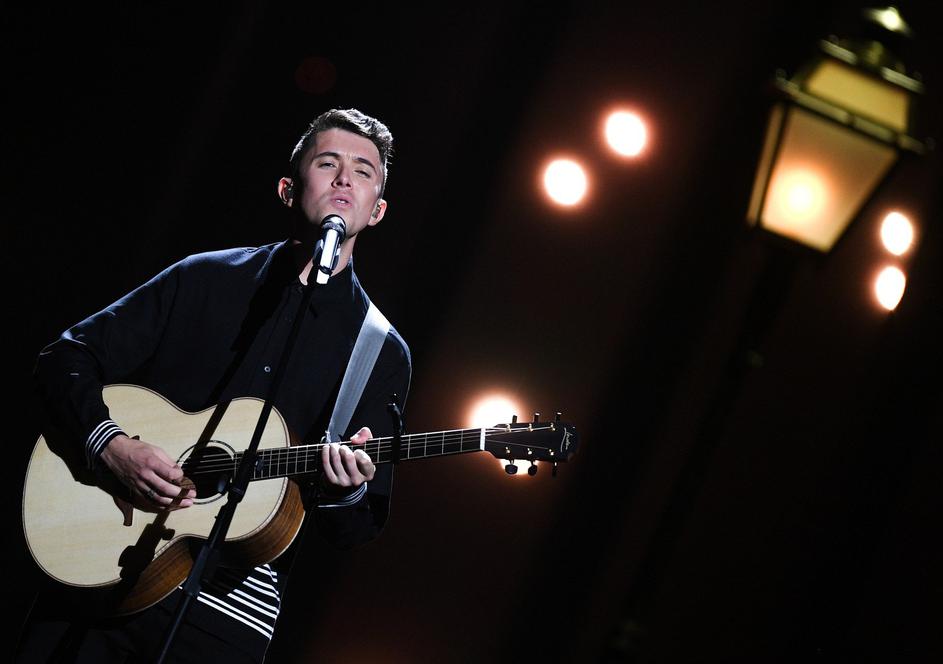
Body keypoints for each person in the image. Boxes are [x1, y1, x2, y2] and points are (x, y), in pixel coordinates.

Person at [18, 108, 411, 663]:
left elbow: (356, 526)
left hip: (228, 616)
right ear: (288, 188)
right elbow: (65, 358)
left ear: (377, 210)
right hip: (99, 568)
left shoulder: (381, 350)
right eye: (328, 163)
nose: (345, 179)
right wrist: (110, 445)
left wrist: (345, 488)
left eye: (363, 172)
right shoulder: (206, 277)